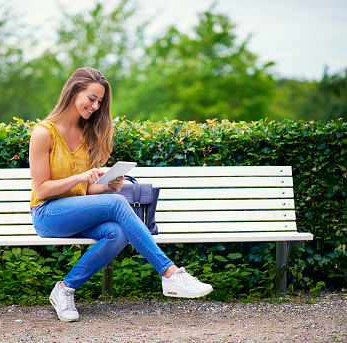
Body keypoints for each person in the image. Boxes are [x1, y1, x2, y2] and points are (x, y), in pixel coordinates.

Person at [29, 67, 213, 322]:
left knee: (117, 232)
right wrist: (82, 177)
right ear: (73, 92)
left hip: (76, 212)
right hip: (47, 215)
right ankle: (170, 273)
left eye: (100, 101)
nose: (95, 106)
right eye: (91, 98)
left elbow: (82, 191)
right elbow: (42, 189)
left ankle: (64, 289)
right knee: (116, 204)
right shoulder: (43, 133)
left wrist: (106, 186)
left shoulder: (85, 136)